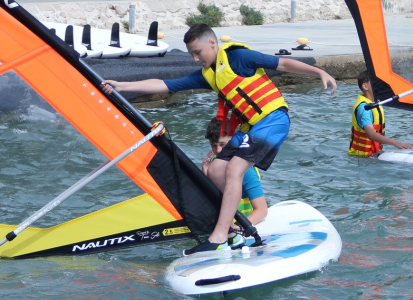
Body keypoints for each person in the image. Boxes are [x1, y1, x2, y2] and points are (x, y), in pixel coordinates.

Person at [101, 23, 336, 254]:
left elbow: (282, 63)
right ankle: (233, 229)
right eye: (192, 54)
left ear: (212, 43)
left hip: (273, 119)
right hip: (250, 127)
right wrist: (123, 85)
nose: (195, 59)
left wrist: (319, 71)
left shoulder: (239, 57)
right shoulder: (209, 74)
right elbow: (165, 85)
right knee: (215, 170)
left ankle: (220, 235)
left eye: (197, 52)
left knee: (234, 170)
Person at [203, 117, 267, 226]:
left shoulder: (246, 171)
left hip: (241, 227)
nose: (218, 150)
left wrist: (237, 229)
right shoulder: (212, 166)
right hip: (222, 226)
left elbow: (261, 210)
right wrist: (206, 177)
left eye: (223, 144)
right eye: (214, 145)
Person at [349, 70, 413, 156]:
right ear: (365, 86)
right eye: (375, 82)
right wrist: (395, 143)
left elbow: (397, 94)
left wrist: (412, 83)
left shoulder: (375, 101)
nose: (378, 84)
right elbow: (371, 134)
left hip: (374, 155)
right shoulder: (364, 108)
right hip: (363, 158)